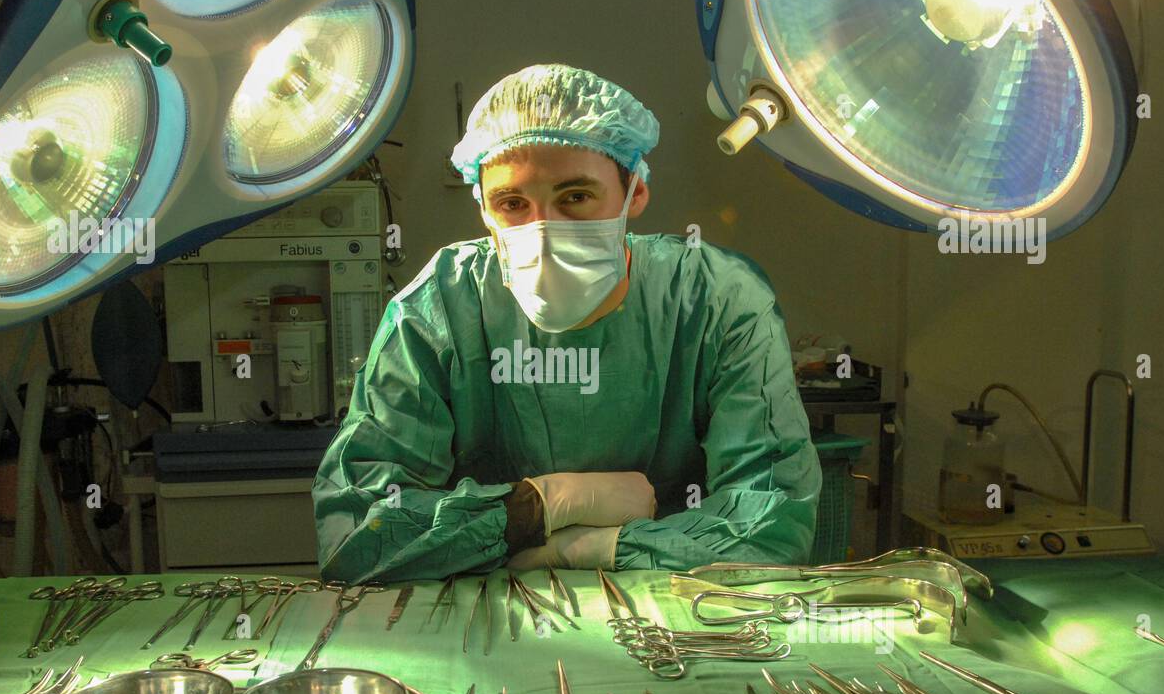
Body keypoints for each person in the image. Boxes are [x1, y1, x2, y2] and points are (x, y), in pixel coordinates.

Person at [313, 64, 821, 582]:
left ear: (634, 195)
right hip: (480, 624)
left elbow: (774, 529)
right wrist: (540, 505)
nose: (544, 230)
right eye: (513, 204)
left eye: (575, 197)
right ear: (483, 211)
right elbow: (356, 534)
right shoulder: (439, 307)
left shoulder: (718, 301)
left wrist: (589, 548)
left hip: (679, 612)